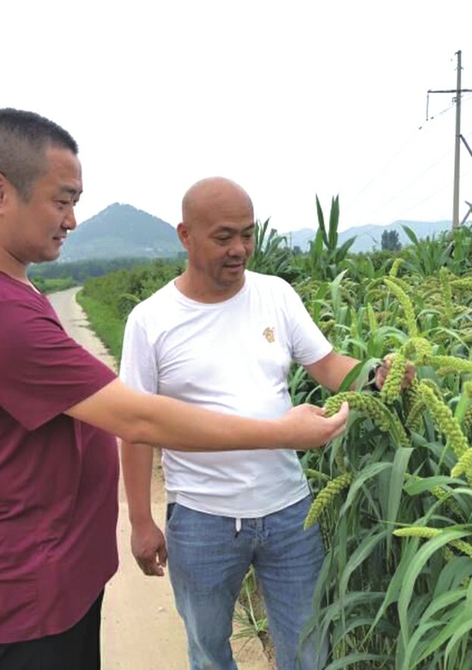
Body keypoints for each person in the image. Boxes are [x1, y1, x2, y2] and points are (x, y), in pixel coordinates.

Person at [0, 110, 351, 670]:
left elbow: (328, 363)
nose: (73, 219)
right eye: (62, 200)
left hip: (56, 568)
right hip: (31, 581)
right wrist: (281, 432)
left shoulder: (9, 287)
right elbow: (138, 420)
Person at [119, 177, 414, 670]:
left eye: (248, 234)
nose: (239, 250)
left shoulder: (275, 294)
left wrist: (376, 376)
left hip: (290, 514)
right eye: (223, 237)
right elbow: (133, 427)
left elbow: (330, 367)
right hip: (201, 520)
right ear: (185, 235)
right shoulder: (151, 321)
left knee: (308, 652)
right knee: (209, 654)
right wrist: (140, 521)